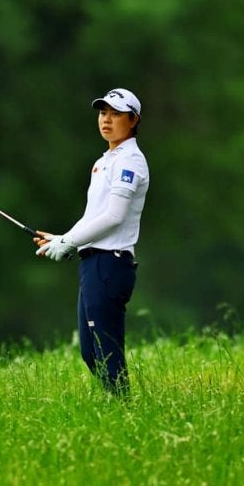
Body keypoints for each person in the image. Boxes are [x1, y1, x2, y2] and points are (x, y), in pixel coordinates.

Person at [35, 88, 150, 396]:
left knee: (107, 353)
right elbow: (93, 216)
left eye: (115, 114)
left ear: (133, 120)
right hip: (94, 265)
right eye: (103, 113)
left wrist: (69, 242)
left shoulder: (130, 161)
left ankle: (125, 412)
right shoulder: (105, 161)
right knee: (91, 353)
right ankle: (118, 408)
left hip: (110, 264)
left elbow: (113, 216)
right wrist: (62, 238)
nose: (106, 120)